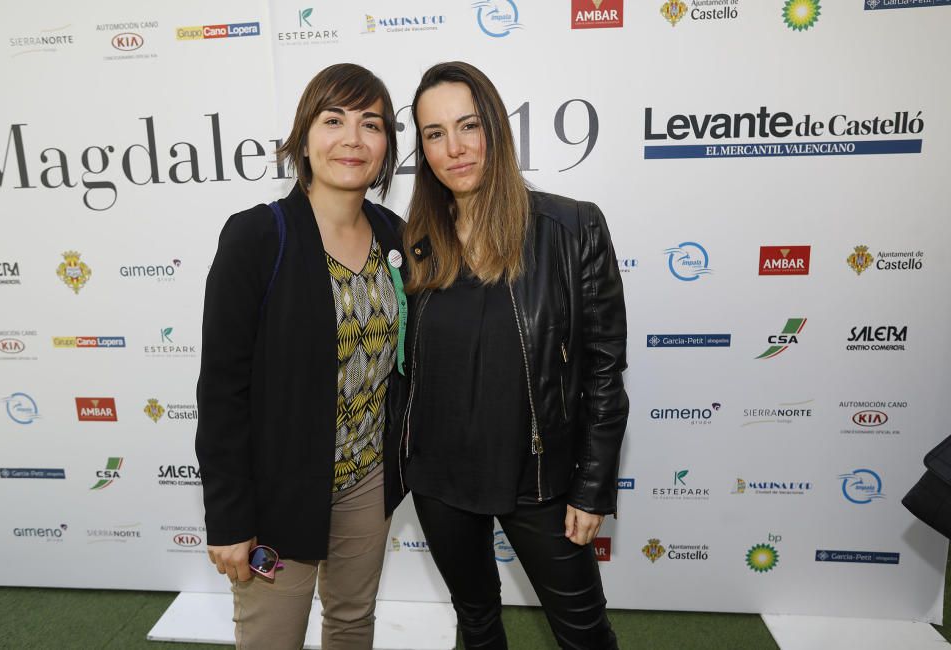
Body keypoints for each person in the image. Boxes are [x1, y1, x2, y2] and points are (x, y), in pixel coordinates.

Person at [399, 61, 628, 650]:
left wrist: (591, 486)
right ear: (422, 148)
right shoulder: (418, 240)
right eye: (434, 134)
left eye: (468, 125)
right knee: (475, 624)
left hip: (539, 479)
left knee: (583, 635)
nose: (454, 148)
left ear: (496, 128)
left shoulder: (571, 227)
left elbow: (605, 369)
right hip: (440, 480)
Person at [195, 63, 408, 649]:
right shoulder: (257, 236)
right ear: (304, 136)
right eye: (333, 119)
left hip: (367, 483)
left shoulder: (397, 236)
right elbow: (221, 391)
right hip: (277, 497)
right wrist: (231, 520)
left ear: (387, 145)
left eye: (372, 124)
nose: (352, 139)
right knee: (272, 639)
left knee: (351, 624)